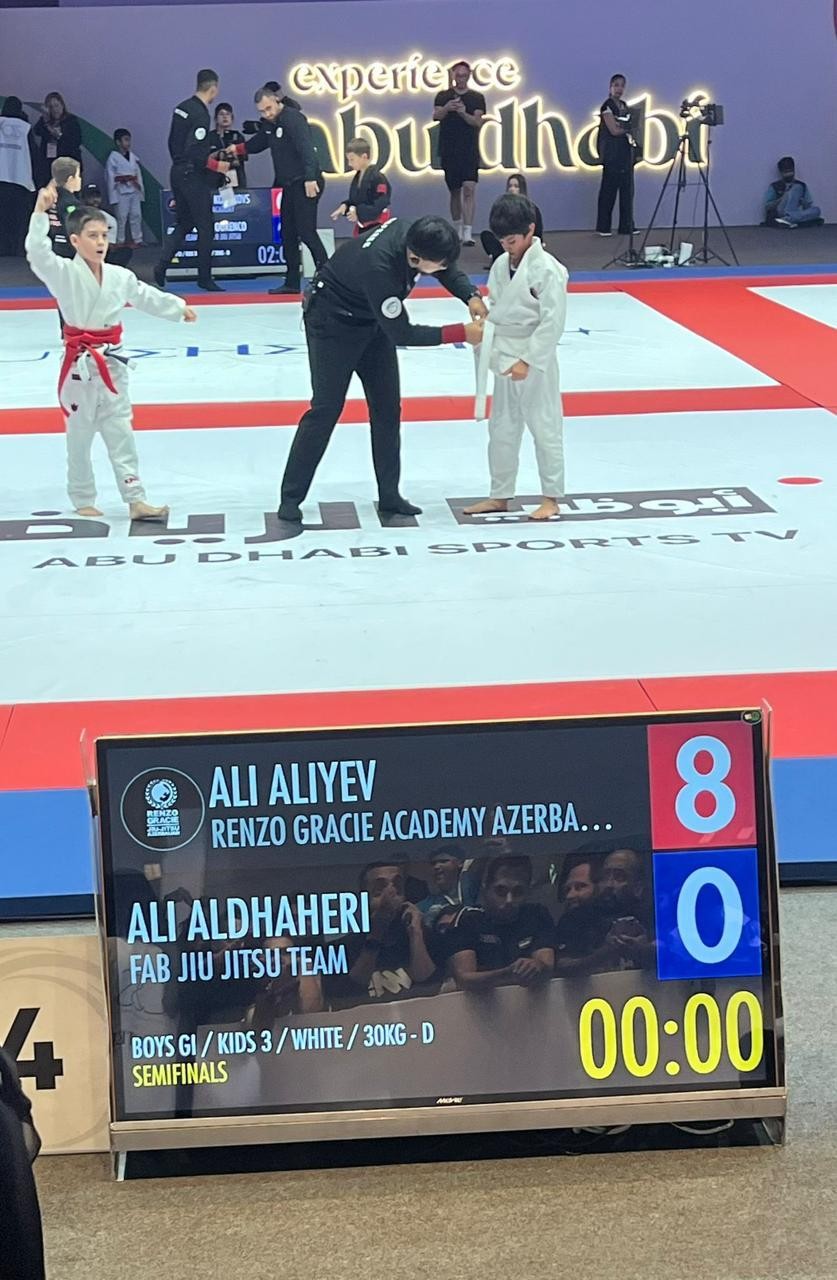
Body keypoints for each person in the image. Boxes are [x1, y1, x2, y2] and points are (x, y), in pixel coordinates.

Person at [276, 215, 486, 523]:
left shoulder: (416, 232)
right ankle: (290, 496)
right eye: (436, 266)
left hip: (371, 322)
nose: (441, 271)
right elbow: (402, 333)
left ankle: (390, 495)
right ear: (414, 258)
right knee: (326, 408)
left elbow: (445, 265)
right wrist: (460, 333)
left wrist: (469, 294)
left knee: (388, 408)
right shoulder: (379, 269)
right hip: (332, 324)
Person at [26, 184, 197, 519]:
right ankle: (82, 497)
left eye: (104, 235)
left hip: (112, 361)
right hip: (79, 365)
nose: (101, 242)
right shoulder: (62, 274)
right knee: (79, 436)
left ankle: (135, 498)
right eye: (92, 236)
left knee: (121, 432)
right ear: (75, 241)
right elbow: (37, 253)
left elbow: (145, 295)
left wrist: (177, 308)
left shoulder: (119, 276)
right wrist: (38, 212)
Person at [466, 193, 568, 523]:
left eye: (512, 240)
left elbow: (553, 322)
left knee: (544, 425)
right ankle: (500, 495)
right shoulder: (500, 264)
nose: (508, 246)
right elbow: (500, 307)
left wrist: (529, 359)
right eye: (502, 241)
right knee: (502, 428)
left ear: (530, 231)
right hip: (503, 351)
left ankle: (551, 497)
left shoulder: (548, 270)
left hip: (533, 356)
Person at [226, 85, 327, 296]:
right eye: (262, 111)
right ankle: (291, 282)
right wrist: (238, 149)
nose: (267, 114)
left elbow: (307, 148)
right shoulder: (270, 125)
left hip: (306, 182)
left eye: (269, 108)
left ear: (277, 101)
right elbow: (258, 143)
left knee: (306, 231)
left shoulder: (293, 119)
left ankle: (328, 277)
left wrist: (310, 178)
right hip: (289, 184)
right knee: (287, 233)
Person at [154, 69, 231, 294]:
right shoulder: (200, 114)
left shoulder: (182, 108)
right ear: (213, 89)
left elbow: (172, 142)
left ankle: (162, 265)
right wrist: (218, 166)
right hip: (192, 176)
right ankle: (204, 277)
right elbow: (196, 152)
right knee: (206, 226)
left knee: (185, 223)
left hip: (177, 172)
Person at [447, 855, 555, 991]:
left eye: (518, 892)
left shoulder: (537, 915)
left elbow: (547, 965)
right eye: (501, 891)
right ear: (486, 888)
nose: (509, 900)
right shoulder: (469, 919)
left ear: (527, 892)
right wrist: (508, 973)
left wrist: (537, 966)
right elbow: (464, 979)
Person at [335, 863, 438, 1005]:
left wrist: (416, 934)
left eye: (397, 888)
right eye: (378, 891)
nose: (390, 895)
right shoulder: (348, 946)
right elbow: (351, 990)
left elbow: (429, 983)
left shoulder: (424, 936)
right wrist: (376, 934)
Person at [433, 61, 485, 246]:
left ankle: (468, 232)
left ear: (469, 75)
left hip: (469, 149)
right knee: (455, 191)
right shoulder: (443, 96)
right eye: (458, 75)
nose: (461, 79)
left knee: (469, 189)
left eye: (464, 75)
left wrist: (463, 112)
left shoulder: (476, 98)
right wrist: (448, 108)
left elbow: (477, 122)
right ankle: (456, 229)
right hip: (449, 149)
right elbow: (436, 116)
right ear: (453, 76)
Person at [596, 74, 635, 237]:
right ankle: (604, 227)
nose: (619, 89)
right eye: (616, 85)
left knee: (627, 190)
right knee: (609, 190)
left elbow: (629, 125)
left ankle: (626, 225)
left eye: (622, 86)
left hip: (624, 153)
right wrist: (626, 128)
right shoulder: (607, 106)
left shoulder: (625, 106)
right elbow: (613, 129)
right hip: (612, 154)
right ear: (610, 87)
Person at [331, 137, 392, 235]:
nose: (349, 163)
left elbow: (381, 203)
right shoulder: (358, 177)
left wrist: (359, 212)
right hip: (364, 227)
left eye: (352, 159)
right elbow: (357, 200)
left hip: (377, 226)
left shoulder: (378, 178)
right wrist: (345, 206)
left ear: (364, 157)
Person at [480, 173, 544, 264]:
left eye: (516, 186)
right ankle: (501, 256)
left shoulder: (532, 208)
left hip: (522, 241)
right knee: (486, 235)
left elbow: (537, 232)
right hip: (505, 241)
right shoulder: (502, 207)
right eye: (510, 186)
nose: (512, 188)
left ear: (522, 188)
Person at [0, 96, 35, 257]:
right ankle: (17, 250)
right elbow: (34, 155)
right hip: (20, 180)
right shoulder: (25, 128)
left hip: (1, 179)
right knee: (18, 218)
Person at [417, 844, 480, 925]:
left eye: (443, 861)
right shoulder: (424, 906)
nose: (436, 867)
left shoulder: (475, 890)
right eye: (433, 863)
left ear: (460, 863)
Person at [31, 91, 82, 189]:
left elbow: (76, 141)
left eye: (56, 105)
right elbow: (37, 131)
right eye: (51, 107)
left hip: (67, 165)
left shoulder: (71, 121)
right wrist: (45, 118)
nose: (55, 109)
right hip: (49, 166)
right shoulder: (45, 121)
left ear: (62, 105)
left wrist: (57, 134)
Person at [105, 128, 144, 245]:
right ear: (118, 142)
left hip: (133, 189)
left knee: (136, 215)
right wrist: (113, 196)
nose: (128, 143)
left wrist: (140, 188)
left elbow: (138, 175)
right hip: (120, 191)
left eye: (129, 140)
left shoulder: (133, 157)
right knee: (121, 217)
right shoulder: (113, 158)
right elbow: (110, 178)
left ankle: (138, 239)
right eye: (126, 140)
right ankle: (119, 240)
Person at [82, 182, 131, 267]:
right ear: (83, 198)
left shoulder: (109, 217)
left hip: (102, 252)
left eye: (96, 196)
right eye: (90, 197)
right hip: (82, 252)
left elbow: (111, 245)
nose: (94, 199)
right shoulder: (76, 215)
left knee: (126, 251)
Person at [764, 156, 822, 228]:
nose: (789, 174)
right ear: (781, 172)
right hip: (781, 210)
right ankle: (789, 217)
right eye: (786, 172)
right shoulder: (775, 186)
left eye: (790, 171)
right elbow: (767, 207)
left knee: (816, 210)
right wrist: (783, 197)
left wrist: (802, 201)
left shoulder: (802, 185)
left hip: (797, 211)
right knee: (796, 187)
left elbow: (807, 206)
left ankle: (787, 219)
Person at [47, 155, 82, 259]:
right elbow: (71, 225)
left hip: (55, 245)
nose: (80, 179)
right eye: (78, 176)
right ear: (70, 179)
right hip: (68, 248)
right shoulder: (69, 202)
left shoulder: (52, 197)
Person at [208, 102, 247, 187]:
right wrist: (218, 154)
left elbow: (243, 158)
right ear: (215, 119)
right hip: (214, 180)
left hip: (236, 178)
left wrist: (233, 153)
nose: (225, 117)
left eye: (228, 114)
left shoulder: (238, 136)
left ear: (232, 118)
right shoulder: (209, 137)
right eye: (221, 114)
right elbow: (204, 158)